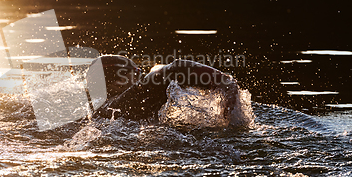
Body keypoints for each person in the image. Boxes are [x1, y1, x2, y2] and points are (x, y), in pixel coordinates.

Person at [87, 55, 239, 122]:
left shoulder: (98, 112)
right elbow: (177, 67)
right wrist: (224, 81)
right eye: (137, 73)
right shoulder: (128, 101)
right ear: (119, 81)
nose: (142, 77)